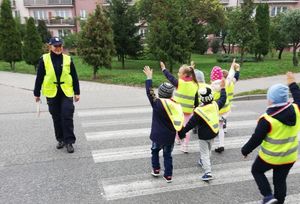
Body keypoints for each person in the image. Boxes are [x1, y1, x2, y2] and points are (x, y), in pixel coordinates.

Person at [241, 72, 300, 204]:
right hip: (289, 157)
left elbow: (256, 139)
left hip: (270, 158)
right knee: (280, 180)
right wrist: (292, 84)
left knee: (256, 170)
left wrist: (245, 150)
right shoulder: (296, 110)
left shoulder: (267, 119)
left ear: (271, 100)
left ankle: (268, 196)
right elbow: (298, 98)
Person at [33, 37, 80, 153]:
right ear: (50, 47)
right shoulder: (44, 59)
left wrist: (77, 92)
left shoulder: (68, 59)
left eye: (60, 46)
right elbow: (39, 77)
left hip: (66, 91)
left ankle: (69, 141)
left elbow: (74, 76)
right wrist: (36, 93)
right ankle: (61, 139)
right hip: (51, 92)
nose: (58, 48)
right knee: (56, 117)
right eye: (56, 46)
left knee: (67, 114)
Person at [178, 79, 226, 181]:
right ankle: (202, 161)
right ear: (211, 97)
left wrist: (182, 131)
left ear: (201, 99)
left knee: (204, 152)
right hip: (214, 132)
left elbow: (190, 124)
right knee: (208, 149)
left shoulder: (199, 111)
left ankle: (208, 172)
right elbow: (223, 98)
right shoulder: (215, 105)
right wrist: (223, 88)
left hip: (203, 135)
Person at [143, 66, 184, 183]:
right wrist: (181, 134)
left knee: (155, 151)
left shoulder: (156, 103)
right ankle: (168, 175)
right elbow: (180, 121)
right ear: (171, 94)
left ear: (159, 93)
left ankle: (156, 170)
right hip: (169, 137)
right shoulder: (176, 105)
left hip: (157, 135)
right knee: (168, 155)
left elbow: (149, 92)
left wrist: (149, 78)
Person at [161, 62, 199, 153]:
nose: (178, 74)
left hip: (177, 109)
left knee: (177, 125)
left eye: (179, 72)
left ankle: (177, 139)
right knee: (186, 128)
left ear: (184, 74)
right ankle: (185, 146)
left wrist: (164, 69)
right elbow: (196, 99)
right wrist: (196, 108)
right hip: (188, 110)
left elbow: (170, 78)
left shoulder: (179, 83)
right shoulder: (195, 84)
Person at [221, 62, 240, 134]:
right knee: (225, 114)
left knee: (221, 114)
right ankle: (224, 127)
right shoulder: (231, 82)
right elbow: (236, 77)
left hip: (222, 100)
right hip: (229, 101)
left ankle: (221, 126)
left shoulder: (223, 83)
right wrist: (237, 70)